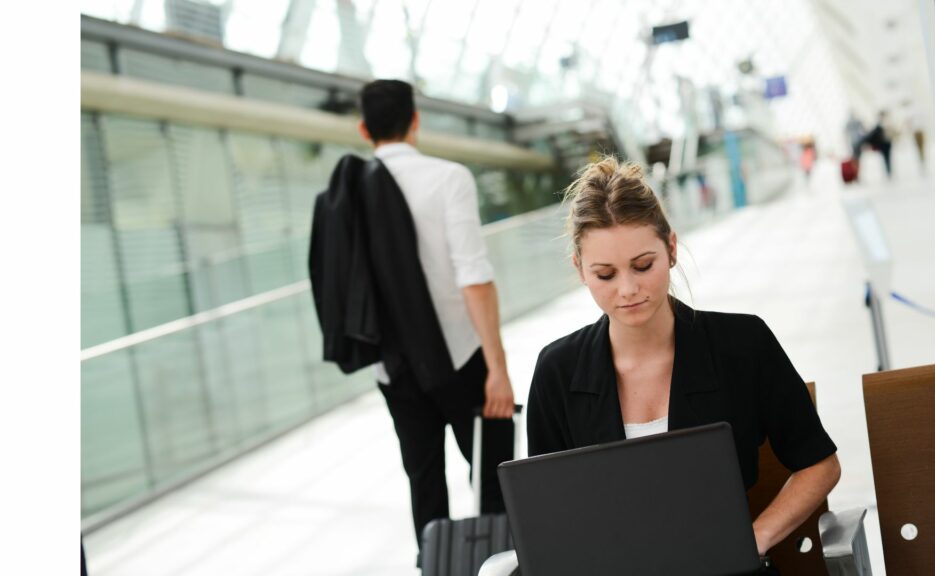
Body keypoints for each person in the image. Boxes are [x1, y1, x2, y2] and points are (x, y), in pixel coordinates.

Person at [526, 157, 840, 573]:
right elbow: (546, 511)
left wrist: (755, 537)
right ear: (580, 269)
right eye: (605, 275)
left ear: (671, 249)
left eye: (643, 266)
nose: (628, 289)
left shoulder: (742, 344)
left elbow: (819, 464)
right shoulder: (557, 371)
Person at [356, 80, 516, 558]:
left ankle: (437, 567)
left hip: (394, 368)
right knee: (495, 476)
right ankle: (503, 563)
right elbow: (473, 277)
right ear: (415, 119)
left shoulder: (351, 192)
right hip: (460, 356)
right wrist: (497, 367)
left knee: (423, 481)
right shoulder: (447, 178)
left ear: (363, 129)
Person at [856, 111, 893, 179]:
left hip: (885, 144)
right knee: (887, 159)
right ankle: (889, 172)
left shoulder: (881, 125)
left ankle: (889, 172)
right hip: (885, 143)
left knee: (887, 158)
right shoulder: (881, 124)